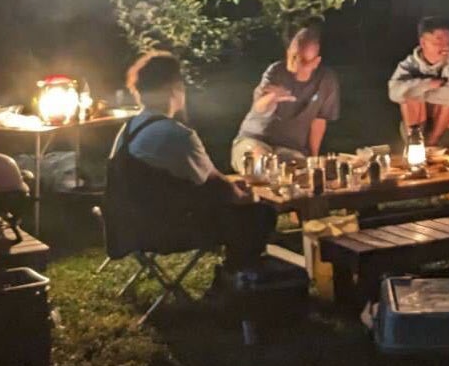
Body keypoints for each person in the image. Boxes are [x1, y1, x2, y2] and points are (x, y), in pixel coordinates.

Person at [110, 51, 276, 268]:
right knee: (261, 214)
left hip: (128, 227)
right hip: (166, 232)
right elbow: (215, 184)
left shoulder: (129, 129)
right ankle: (237, 275)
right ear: (173, 90)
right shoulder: (176, 134)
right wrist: (244, 196)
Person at [231, 26, 340, 171]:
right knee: (262, 166)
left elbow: (319, 121)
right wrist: (272, 97)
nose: (295, 65)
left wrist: (313, 158)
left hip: (290, 148)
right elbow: (259, 107)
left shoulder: (326, 80)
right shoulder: (276, 71)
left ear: (316, 62)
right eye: (293, 57)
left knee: (300, 173)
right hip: (256, 140)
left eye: (303, 61)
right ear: (288, 52)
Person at [388, 17, 449, 146]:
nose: (444, 48)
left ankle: (432, 143)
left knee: (448, 101)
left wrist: (420, 93)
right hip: (416, 122)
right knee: (409, 98)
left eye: (447, 42)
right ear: (423, 43)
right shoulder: (408, 65)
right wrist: (427, 84)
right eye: (438, 43)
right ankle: (415, 143)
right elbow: (393, 93)